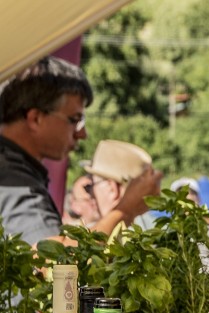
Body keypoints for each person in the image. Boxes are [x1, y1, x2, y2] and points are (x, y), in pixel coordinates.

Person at [0, 56, 160, 246]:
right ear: (35, 119)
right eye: (74, 120)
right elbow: (50, 262)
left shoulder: (15, 170)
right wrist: (125, 211)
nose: (82, 134)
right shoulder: (13, 180)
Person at [82, 139, 162, 239]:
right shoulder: (157, 229)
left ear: (112, 189)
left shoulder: (113, 241)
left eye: (89, 188)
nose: (88, 196)